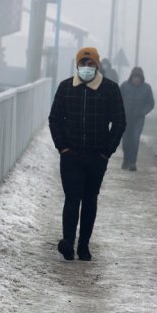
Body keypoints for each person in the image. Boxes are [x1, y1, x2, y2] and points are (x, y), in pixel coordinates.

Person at [49, 47, 126, 261]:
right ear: (77, 65)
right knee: (72, 198)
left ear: (97, 66)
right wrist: (62, 147)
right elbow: (54, 119)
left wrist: (106, 151)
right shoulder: (65, 88)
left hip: (96, 156)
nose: (86, 68)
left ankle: (84, 245)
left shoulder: (110, 89)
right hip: (71, 155)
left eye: (90, 64)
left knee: (90, 200)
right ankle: (68, 243)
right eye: (83, 64)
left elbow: (119, 121)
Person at [120, 67, 155, 171]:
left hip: (138, 119)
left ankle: (132, 162)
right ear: (131, 77)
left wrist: (143, 112)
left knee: (135, 140)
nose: (137, 79)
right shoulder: (124, 86)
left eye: (138, 77)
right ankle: (126, 160)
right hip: (125, 119)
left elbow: (151, 103)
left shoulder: (146, 88)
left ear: (142, 78)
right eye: (135, 77)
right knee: (126, 141)